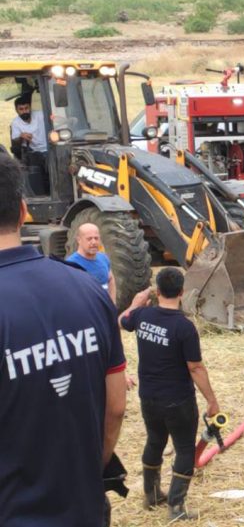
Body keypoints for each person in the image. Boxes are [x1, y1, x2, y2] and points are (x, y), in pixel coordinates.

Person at [0, 154, 126, 526]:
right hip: (86, 508)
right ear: (23, 211)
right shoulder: (87, 287)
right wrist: (89, 470)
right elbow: (115, 406)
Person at [119, 267, 220, 521]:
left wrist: (135, 303)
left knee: (155, 441)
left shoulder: (141, 316)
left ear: (158, 291)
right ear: (182, 292)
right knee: (185, 449)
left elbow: (121, 321)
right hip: (178, 400)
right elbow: (195, 367)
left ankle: (151, 495)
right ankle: (176, 507)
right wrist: (211, 400)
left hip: (149, 397)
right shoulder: (184, 328)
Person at [66, 223, 117, 304]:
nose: (94, 242)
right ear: (79, 240)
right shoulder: (71, 264)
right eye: (89, 239)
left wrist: (113, 304)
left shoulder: (103, 258)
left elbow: (111, 279)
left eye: (96, 238)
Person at [10, 95, 48, 191]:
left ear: (30, 107)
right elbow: (15, 142)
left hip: (49, 149)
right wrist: (21, 137)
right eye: (21, 109)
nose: (24, 111)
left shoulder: (41, 115)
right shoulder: (15, 123)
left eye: (26, 108)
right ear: (16, 110)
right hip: (33, 152)